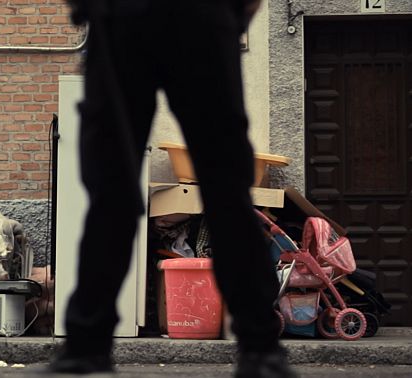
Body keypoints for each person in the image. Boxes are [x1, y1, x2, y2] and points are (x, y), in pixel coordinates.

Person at [50, 0, 295, 377]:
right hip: (185, 18)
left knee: (123, 192)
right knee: (217, 190)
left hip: (138, 17)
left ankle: (86, 347)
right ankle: (261, 350)